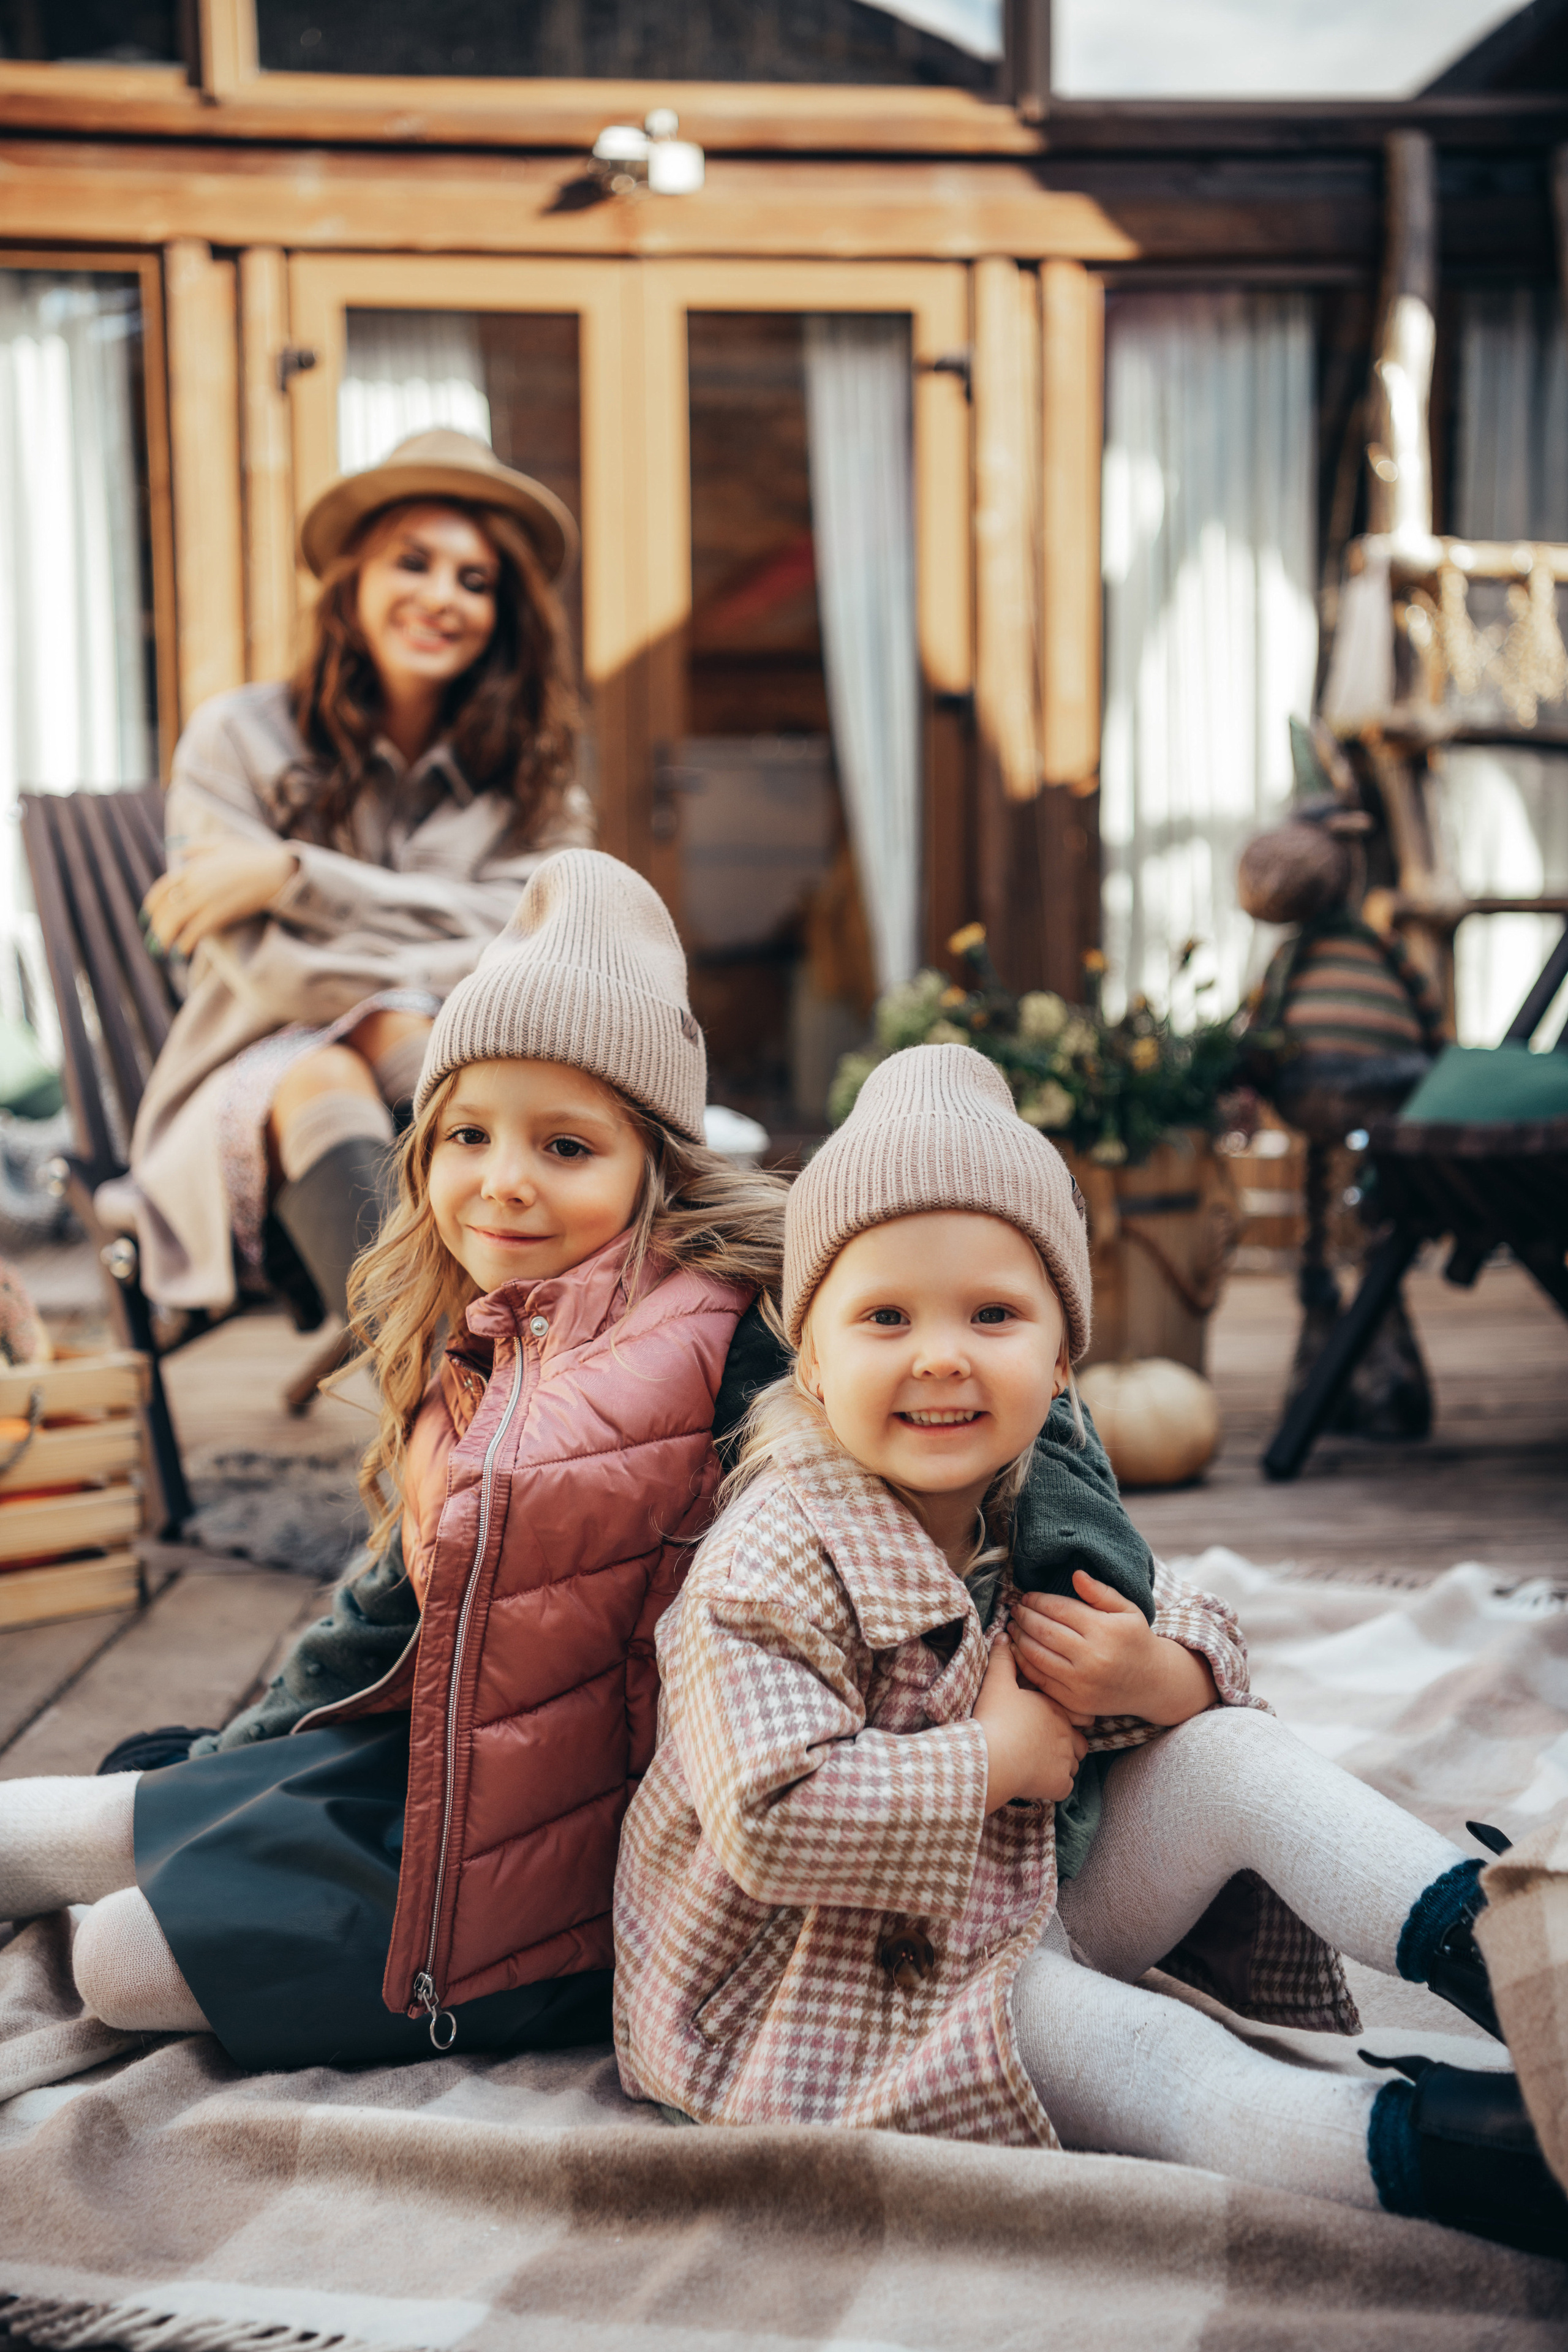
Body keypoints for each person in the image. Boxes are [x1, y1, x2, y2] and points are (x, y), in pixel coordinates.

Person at [613, 1043, 1567, 2258]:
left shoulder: (1035, 1494)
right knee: (1152, 2052)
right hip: (821, 1986)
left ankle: (1526, 1975)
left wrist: (1157, 1675)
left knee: (1232, 1756)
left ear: (1061, 1360)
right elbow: (767, 1820)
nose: (941, 1355)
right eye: (885, 1317)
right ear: (811, 1359)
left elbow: (1185, 1612)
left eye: (993, 1315)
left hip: (1009, 1891)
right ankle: (1486, 2161)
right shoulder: (768, 1557)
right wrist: (998, 1759)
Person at [0, 851, 787, 2069]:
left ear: (656, 1168)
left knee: (117, 1962)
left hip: (610, 1862)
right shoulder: (470, 1351)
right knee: (72, 1823)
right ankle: (183, 1810)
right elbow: (379, 1617)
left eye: (566, 1147)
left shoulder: (735, 1325)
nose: (504, 1183)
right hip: (446, 1763)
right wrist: (231, 1764)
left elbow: (1010, 1413)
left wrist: (1076, 1587)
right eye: (467, 1133)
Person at [120, 427, 592, 1330]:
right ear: (355, 581)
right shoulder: (237, 738)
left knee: (446, 1063)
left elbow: (545, 942)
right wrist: (417, 989)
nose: (441, 596)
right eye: (413, 562)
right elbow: (270, 976)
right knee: (336, 1065)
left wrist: (295, 878)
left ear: (506, 613)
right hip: (250, 1084)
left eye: (475, 580)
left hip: (460, 1079)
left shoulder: (535, 772)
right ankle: (433, 1389)